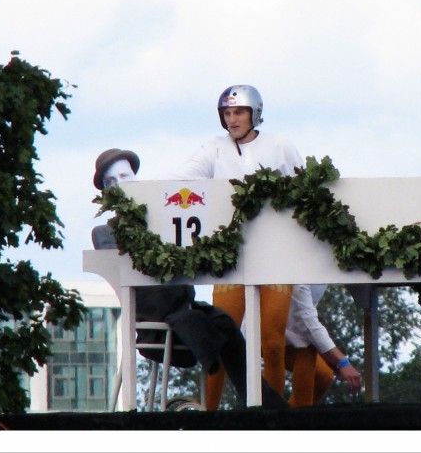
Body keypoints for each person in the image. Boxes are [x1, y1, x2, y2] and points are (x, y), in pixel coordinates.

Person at [92, 147, 287, 409]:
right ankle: (249, 395)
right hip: (153, 317)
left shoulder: (163, 221)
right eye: (111, 182)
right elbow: (131, 278)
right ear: (104, 192)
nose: (119, 185)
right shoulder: (106, 232)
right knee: (200, 319)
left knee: (222, 321)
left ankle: (256, 397)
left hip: (182, 307)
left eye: (125, 177)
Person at [171, 84, 303, 409]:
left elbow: (306, 189)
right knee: (217, 339)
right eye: (227, 113)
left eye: (239, 112)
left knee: (272, 344)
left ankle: (274, 417)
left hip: (276, 257)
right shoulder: (213, 148)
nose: (232, 119)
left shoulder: (280, 145)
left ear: (254, 113)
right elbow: (183, 179)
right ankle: (211, 414)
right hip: (230, 259)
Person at [284, 284, 362, 407]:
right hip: (263, 334)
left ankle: (289, 420)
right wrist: (342, 362)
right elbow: (308, 321)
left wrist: (335, 361)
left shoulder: (321, 274)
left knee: (323, 376)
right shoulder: (302, 276)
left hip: (294, 337)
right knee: (308, 356)